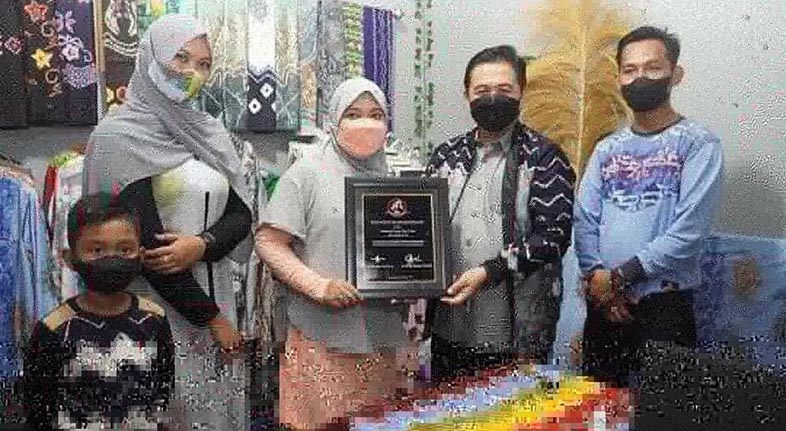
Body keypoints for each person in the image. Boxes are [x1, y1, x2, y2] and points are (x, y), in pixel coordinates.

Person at [83, 15, 253, 430]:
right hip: (154, 314)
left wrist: (203, 244)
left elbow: (241, 214)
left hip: (214, 301)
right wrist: (213, 319)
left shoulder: (207, 132)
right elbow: (146, 248)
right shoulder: (116, 137)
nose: (192, 72)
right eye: (180, 58)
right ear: (151, 58)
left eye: (204, 64)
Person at [256, 77, 416, 429]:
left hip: (379, 337)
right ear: (334, 120)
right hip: (321, 337)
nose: (366, 123)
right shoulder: (306, 173)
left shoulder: (394, 179)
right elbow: (269, 241)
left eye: (376, 115)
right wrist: (319, 287)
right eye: (353, 114)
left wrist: (413, 277)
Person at [574, 26, 724, 387]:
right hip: (603, 304)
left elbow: (688, 232)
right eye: (630, 70)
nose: (640, 77)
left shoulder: (699, 144)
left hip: (664, 307)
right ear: (619, 79)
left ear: (676, 74)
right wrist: (599, 281)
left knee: (665, 409)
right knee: (595, 406)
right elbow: (584, 218)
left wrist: (619, 278)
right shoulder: (607, 148)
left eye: (653, 67)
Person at [425, 45, 575, 382]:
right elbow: (423, 228)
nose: (492, 98)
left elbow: (553, 237)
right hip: (449, 325)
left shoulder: (544, 157)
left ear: (522, 91)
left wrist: (490, 270)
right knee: (446, 408)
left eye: (504, 89)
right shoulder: (445, 156)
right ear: (467, 94)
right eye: (482, 91)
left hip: (516, 332)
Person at [23, 193, 175, 429]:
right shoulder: (54, 328)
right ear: (70, 258)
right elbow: (37, 408)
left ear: (141, 255)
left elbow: (164, 390)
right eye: (97, 250)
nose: (111, 258)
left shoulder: (153, 319)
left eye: (124, 250)